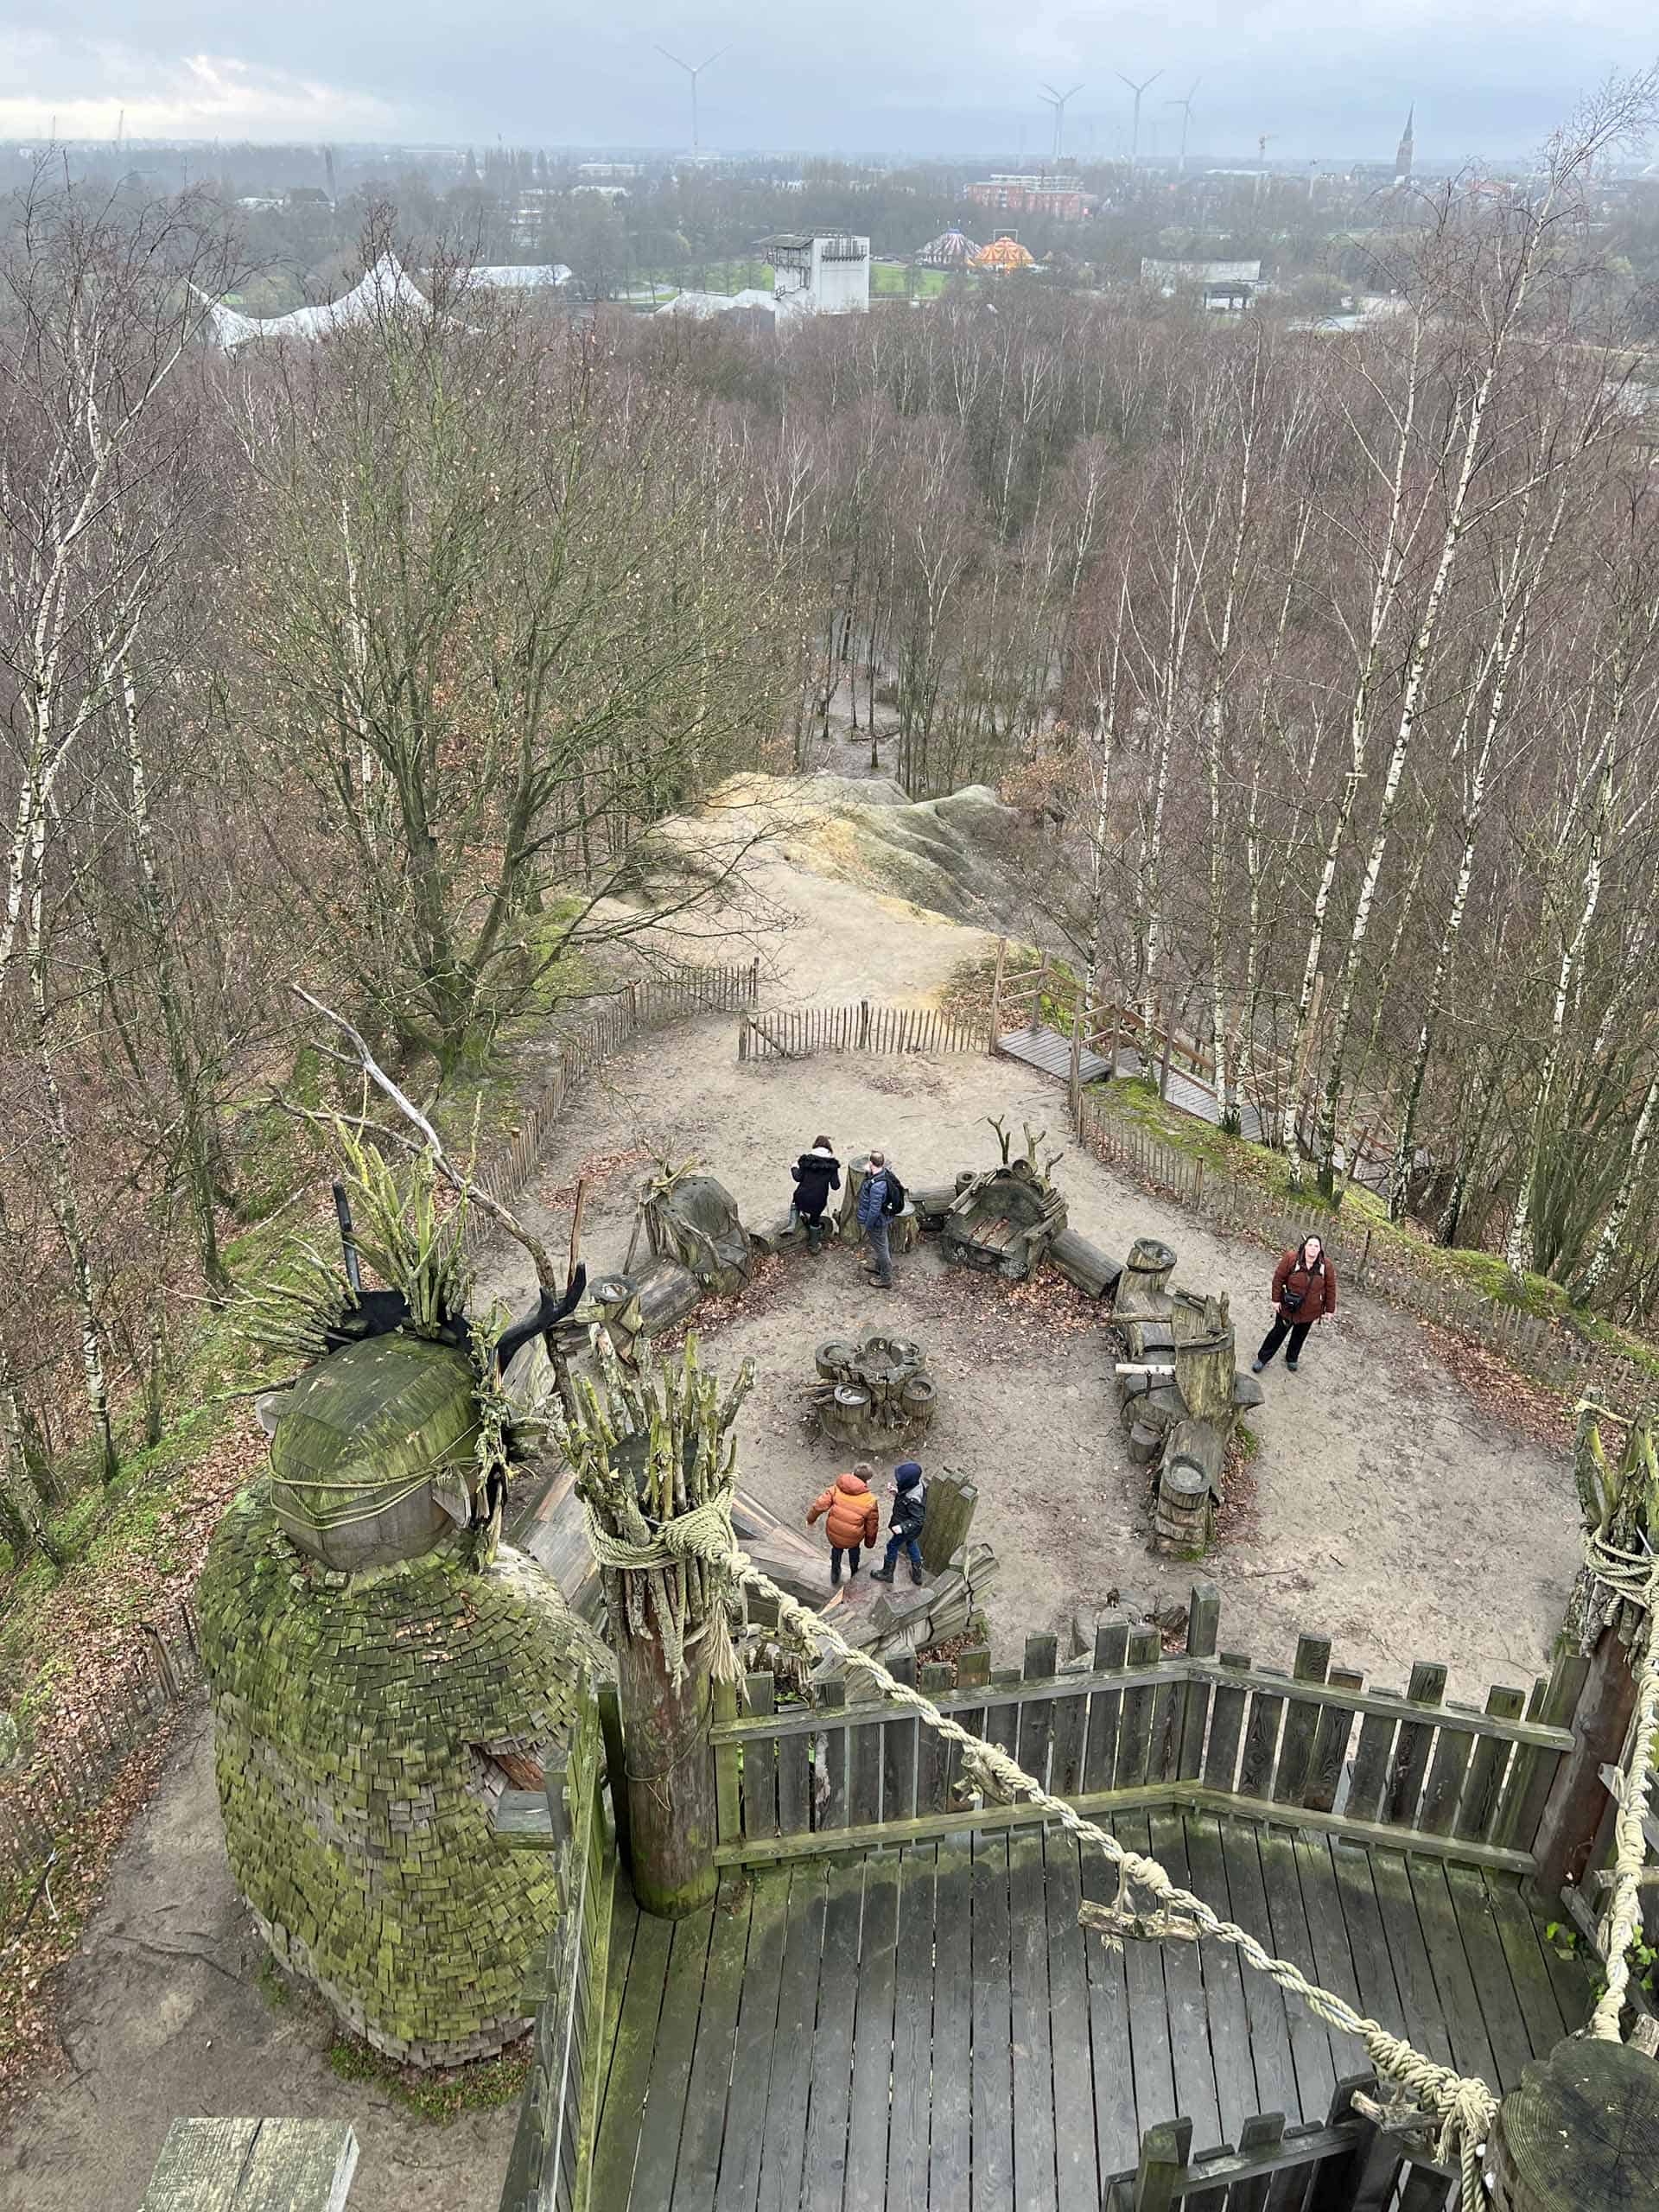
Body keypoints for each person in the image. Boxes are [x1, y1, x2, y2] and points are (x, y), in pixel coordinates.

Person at [1253, 1234, 1338, 1375]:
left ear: (1320, 1249)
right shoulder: (1291, 1258)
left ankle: (1292, 1358)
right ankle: (1262, 1358)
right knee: (1278, 1333)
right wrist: (1275, 1300)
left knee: (1300, 1336)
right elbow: (1278, 1279)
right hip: (1287, 1307)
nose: (1313, 1248)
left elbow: (1331, 1288)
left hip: (1310, 1310)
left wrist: (1330, 1309)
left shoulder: (1326, 1266)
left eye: (1316, 1246)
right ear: (1305, 1246)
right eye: (1310, 1245)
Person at [805, 1462, 880, 1586]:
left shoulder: (836, 1489)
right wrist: (869, 1543)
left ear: (852, 1474)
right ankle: (854, 1572)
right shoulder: (870, 1501)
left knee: (836, 1550)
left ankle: (835, 1572)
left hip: (834, 1533)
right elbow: (872, 1526)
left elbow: (819, 1506)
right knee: (854, 1552)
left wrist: (810, 1519)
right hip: (853, 1537)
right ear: (869, 1480)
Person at [870, 1460, 927, 1585]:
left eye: (900, 1480)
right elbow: (906, 1499)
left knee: (892, 1545)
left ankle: (887, 1573)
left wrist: (902, 1527)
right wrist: (897, 1493)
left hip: (907, 1527)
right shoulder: (916, 1487)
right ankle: (917, 1574)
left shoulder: (913, 1500)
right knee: (912, 1543)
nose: (898, 1481)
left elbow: (918, 1519)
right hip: (912, 1531)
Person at [855, 1148, 899, 1290]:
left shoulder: (877, 1187)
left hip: (877, 1222)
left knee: (882, 1249)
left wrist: (868, 1225)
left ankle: (886, 1278)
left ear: (871, 1163)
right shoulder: (883, 1174)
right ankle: (879, 1268)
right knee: (881, 1245)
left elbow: (874, 1210)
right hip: (882, 1219)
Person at [789, 1135, 841, 1255]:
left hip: (801, 1197)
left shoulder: (806, 1161)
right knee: (815, 1218)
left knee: (796, 1197)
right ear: (828, 1148)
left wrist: (794, 1168)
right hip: (818, 1201)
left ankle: (792, 1224)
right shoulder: (832, 1166)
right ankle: (814, 1245)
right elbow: (835, 1186)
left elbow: (798, 1178)